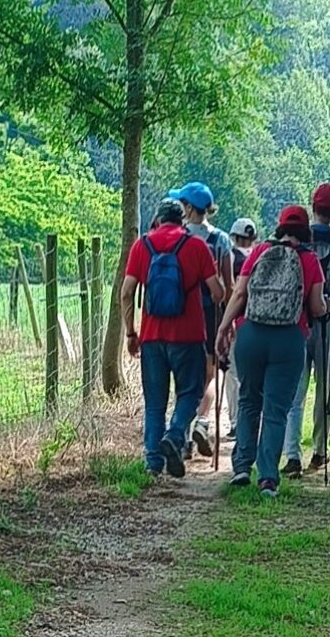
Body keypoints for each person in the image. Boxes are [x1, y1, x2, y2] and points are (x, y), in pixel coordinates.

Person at [216, 206, 327, 497]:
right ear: (306, 231)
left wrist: (224, 327)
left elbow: (240, 293)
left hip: (251, 333)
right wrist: (326, 305)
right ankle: (267, 478)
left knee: (249, 400)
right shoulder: (309, 260)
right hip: (289, 339)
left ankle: (241, 467)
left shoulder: (259, 251)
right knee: (276, 409)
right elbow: (316, 307)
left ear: (279, 227)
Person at [120, 199, 225, 478]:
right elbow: (217, 293)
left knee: (155, 401)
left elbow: (126, 292)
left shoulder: (142, 246)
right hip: (188, 336)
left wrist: (131, 332)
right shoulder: (196, 247)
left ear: (157, 218)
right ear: (183, 219)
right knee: (189, 394)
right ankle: (176, 435)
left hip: (152, 337)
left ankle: (153, 463)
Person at [283, 183, 330, 477]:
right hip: (328, 325)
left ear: (313, 208)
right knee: (323, 389)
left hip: (297, 324)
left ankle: (292, 455)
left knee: (295, 389)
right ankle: (320, 451)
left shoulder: (298, 241)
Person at [168, 182, 234, 459]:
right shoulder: (220, 239)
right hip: (212, 312)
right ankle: (203, 421)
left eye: (182, 204)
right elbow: (229, 285)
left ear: (190, 208)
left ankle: (181, 437)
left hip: (181, 311)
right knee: (212, 372)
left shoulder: (178, 236)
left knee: (184, 377)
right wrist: (228, 321)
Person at [222, 218, 258, 441]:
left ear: (233, 237)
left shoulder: (231, 257)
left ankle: (237, 422)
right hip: (258, 324)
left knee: (233, 375)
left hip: (236, 323)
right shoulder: (260, 257)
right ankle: (254, 420)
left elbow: (230, 292)